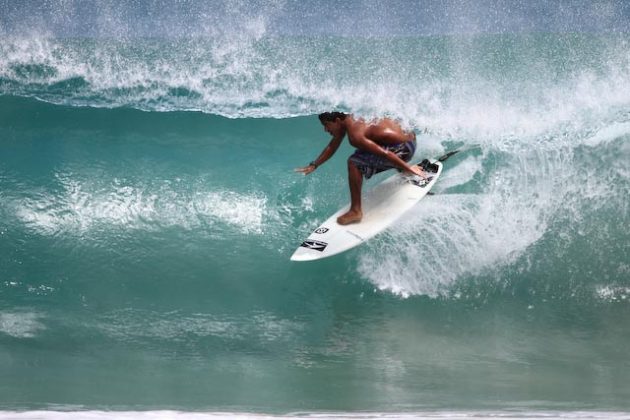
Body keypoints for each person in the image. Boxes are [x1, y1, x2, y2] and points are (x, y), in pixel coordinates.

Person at [295, 112, 427, 225]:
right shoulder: (353, 117)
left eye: (326, 125)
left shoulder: (355, 135)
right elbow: (333, 145)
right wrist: (314, 164)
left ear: (337, 121)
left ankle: (356, 211)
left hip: (403, 149)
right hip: (411, 139)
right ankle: (402, 168)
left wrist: (409, 169)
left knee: (354, 162)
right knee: (366, 150)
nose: (325, 129)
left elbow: (384, 153)